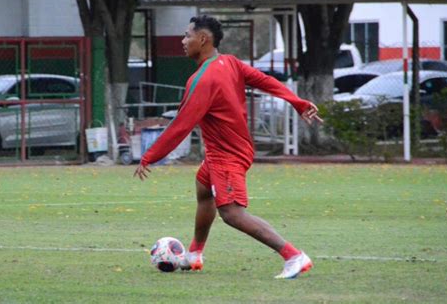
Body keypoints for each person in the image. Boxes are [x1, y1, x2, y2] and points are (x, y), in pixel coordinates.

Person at [134, 15, 323, 279]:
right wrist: (297, 101)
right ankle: (195, 254)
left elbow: (181, 125)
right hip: (224, 150)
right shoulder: (230, 63)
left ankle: (293, 255)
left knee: (232, 213)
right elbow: (265, 80)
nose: (183, 40)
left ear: (203, 39)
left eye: (187, 35)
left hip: (227, 154)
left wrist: (150, 155)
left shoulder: (203, 79)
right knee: (203, 188)